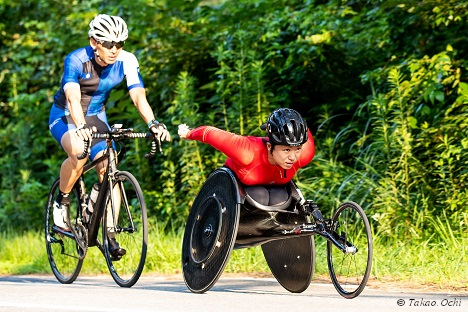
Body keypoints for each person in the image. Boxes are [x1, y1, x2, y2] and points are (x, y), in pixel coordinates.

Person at [49, 14, 171, 258]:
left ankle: (110, 233)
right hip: (66, 116)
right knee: (78, 152)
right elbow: (73, 98)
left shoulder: (127, 60)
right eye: (108, 44)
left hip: (97, 116)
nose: (115, 49)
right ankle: (61, 202)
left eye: (120, 44)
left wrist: (153, 123)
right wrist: (80, 125)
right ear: (94, 42)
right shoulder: (76, 59)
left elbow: (138, 96)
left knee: (109, 165)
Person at [178, 108, 314, 206]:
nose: (292, 157)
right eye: (286, 150)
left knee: (281, 198)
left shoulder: (304, 154)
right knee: (260, 196)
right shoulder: (246, 151)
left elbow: (301, 126)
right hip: (241, 188)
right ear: (269, 147)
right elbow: (209, 133)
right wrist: (188, 133)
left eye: (297, 149)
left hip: (275, 189)